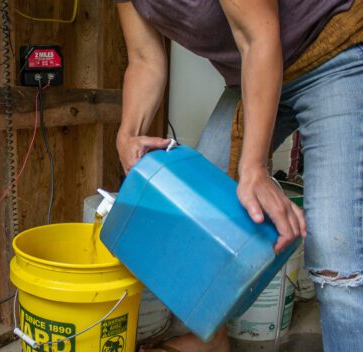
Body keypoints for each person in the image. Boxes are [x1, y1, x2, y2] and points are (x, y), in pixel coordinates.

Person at [114, 0, 363, 351]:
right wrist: (127, 133)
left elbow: (257, 35)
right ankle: (213, 340)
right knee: (196, 212)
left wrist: (254, 168)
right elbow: (144, 60)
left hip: (330, 55)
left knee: (336, 254)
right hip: (252, 75)